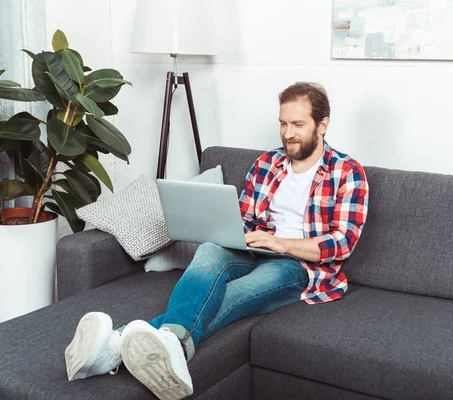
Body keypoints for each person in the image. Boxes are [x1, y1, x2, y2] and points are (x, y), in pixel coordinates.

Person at [64, 82, 369, 400]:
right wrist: (228, 230)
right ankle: (169, 342)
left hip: (298, 266)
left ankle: (121, 344)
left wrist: (282, 243)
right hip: (252, 249)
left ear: (323, 125)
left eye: (298, 124)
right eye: (282, 123)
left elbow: (343, 242)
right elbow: (244, 219)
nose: (288, 133)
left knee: (240, 290)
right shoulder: (268, 164)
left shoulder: (347, 173)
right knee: (210, 251)